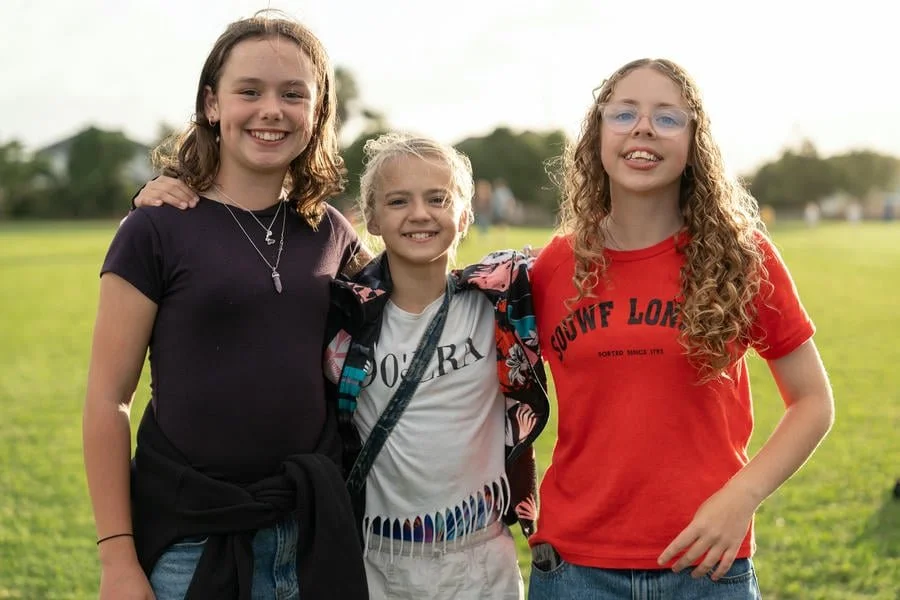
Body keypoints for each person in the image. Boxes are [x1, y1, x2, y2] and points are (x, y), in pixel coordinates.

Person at [83, 12, 368, 600]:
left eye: (294, 94)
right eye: (250, 91)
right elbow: (108, 400)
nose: (272, 109)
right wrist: (117, 558)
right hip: (190, 540)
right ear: (212, 104)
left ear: (316, 114)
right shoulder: (154, 229)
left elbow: (413, 297)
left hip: (308, 532)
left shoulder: (330, 230)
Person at [527, 58, 834, 600]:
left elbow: (812, 402)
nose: (643, 128)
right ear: (598, 132)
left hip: (708, 565)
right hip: (576, 569)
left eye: (667, 118)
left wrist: (741, 498)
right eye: (624, 113)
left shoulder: (741, 258)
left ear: (695, 142)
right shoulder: (553, 266)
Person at [323, 133, 550, 600]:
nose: (420, 213)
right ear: (373, 218)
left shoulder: (502, 300)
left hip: (483, 562)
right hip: (379, 563)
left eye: (438, 198)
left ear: (465, 214)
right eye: (399, 200)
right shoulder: (343, 320)